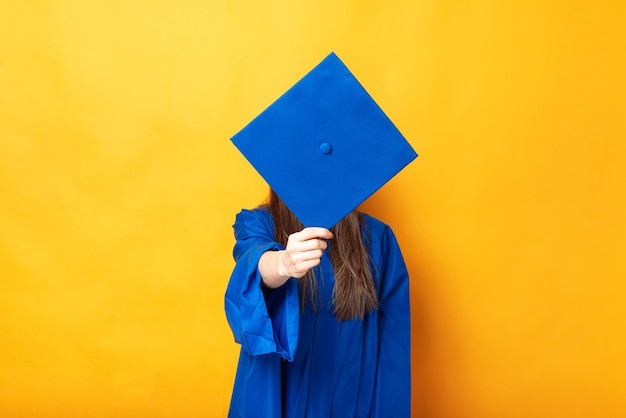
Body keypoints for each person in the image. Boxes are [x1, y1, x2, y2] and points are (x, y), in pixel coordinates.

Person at [224, 189, 411, 417]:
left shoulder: (378, 238)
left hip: (352, 396)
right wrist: (282, 263)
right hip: (278, 392)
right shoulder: (259, 223)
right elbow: (254, 261)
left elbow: (393, 347)